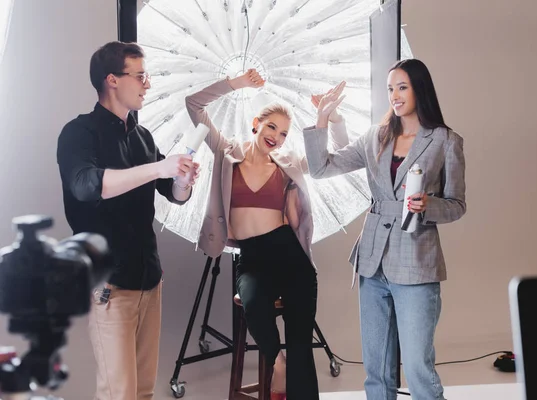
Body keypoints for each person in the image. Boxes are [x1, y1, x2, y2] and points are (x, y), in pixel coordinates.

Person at [303, 59, 467, 400]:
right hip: (372, 261)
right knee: (376, 371)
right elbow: (320, 168)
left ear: (419, 89)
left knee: (419, 367)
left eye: (402, 87)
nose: (394, 95)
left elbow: (457, 205)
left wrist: (428, 205)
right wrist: (323, 117)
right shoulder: (375, 136)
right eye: (390, 88)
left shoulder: (445, 141)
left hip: (417, 262)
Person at [185, 69, 349, 400]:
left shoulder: (288, 162)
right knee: (255, 304)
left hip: (290, 254)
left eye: (284, 133)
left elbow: (340, 156)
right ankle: (278, 363)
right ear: (256, 123)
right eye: (271, 126)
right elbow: (193, 105)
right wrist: (237, 84)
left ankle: (294, 374)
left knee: (301, 343)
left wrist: (331, 118)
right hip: (253, 258)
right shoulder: (227, 151)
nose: (276, 136)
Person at [56, 41, 200, 400]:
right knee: (119, 393)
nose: (146, 84)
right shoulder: (78, 133)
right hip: (109, 285)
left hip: (150, 280)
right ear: (112, 80)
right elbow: (86, 186)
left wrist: (182, 179)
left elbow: (175, 194)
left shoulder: (142, 136)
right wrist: (158, 167)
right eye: (140, 76)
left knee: (144, 392)